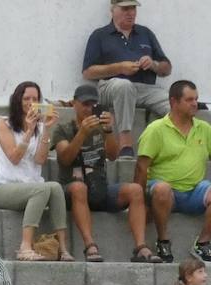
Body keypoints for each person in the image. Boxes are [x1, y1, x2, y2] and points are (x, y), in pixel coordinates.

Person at [55, 81, 156, 263]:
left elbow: (113, 155)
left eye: (93, 104)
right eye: (85, 104)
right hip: (71, 191)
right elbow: (65, 158)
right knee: (79, 188)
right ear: (74, 103)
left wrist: (109, 131)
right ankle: (89, 245)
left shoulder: (101, 127)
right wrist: (81, 134)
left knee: (135, 190)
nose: (89, 108)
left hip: (99, 187)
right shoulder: (64, 129)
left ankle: (141, 247)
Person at [134, 79, 211, 264]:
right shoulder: (155, 129)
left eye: (196, 99)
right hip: (164, 193)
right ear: (173, 102)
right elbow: (141, 166)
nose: (195, 103)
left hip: (195, 190)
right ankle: (163, 241)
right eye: (189, 100)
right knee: (162, 188)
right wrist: (141, 203)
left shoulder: (204, 129)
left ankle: (202, 244)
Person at [0, 81, 71, 262]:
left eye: (35, 99)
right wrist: (28, 131)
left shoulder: (41, 127)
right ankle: (25, 247)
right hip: (2, 188)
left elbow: (40, 160)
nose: (30, 102)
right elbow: (14, 157)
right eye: (26, 98)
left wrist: (47, 129)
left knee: (55, 188)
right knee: (41, 189)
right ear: (18, 100)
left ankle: (63, 249)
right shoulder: (3, 123)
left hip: (30, 188)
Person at [81, 0, 171, 158]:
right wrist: (119, 68)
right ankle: (125, 144)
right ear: (113, 10)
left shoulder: (145, 33)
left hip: (146, 89)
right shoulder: (100, 35)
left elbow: (166, 68)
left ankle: (194, 138)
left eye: (133, 8)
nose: (131, 13)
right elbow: (88, 72)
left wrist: (153, 65)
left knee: (177, 101)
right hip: (111, 86)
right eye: (125, 9)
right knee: (124, 86)